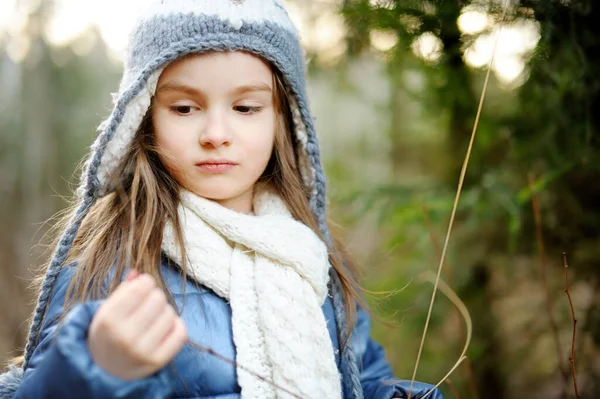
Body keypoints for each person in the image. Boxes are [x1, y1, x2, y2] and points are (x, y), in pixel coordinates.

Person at [0, 1, 444, 398]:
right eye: (184, 108)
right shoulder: (108, 270)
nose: (215, 135)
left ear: (282, 121)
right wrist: (92, 368)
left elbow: (358, 377)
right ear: (144, 118)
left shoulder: (310, 254)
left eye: (246, 108)